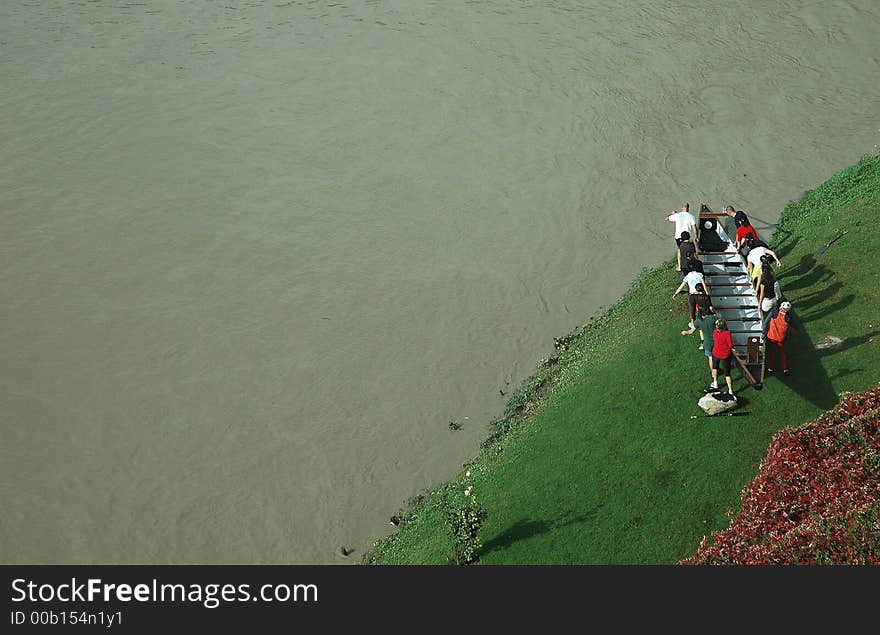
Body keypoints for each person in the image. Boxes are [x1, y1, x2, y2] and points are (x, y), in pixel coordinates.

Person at [681, 306, 718, 379]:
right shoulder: (713, 318)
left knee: (710, 358)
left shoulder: (698, 321)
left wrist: (685, 332)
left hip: (707, 343)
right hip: (716, 341)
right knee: (717, 358)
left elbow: (691, 331)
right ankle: (717, 369)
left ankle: (713, 374)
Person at [765, 301, 795, 375]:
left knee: (771, 353)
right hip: (781, 338)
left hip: (771, 336)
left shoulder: (774, 313)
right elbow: (794, 326)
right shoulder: (788, 317)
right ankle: (785, 369)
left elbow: (766, 323)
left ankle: (770, 368)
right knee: (782, 353)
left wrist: (764, 332)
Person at [709, 318, 737, 395]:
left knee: (715, 368)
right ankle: (730, 390)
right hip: (725, 355)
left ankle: (715, 383)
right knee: (727, 373)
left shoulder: (714, 333)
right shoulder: (727, 334)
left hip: (716, 353)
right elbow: (730, 345)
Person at [757, 256, 778, 327]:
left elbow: (762, 294)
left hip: (767, 302)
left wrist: (759, 304)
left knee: (766, 318)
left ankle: (766, 330)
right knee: (773, 315)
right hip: (774, 299)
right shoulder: (772, 275)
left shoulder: (763, 283)